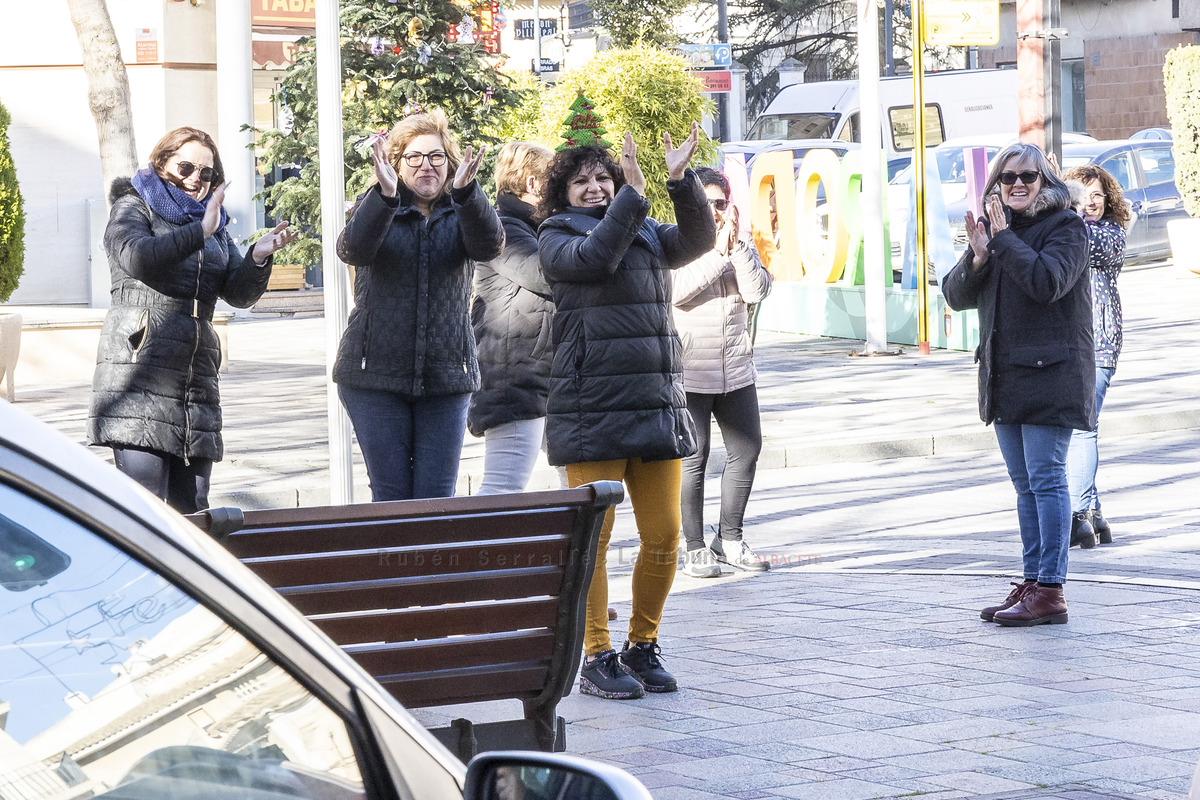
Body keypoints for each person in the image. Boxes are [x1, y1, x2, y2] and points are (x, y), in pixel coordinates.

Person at [538, 125, 715, 699]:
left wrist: (679, 181)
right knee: (595, 538)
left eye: (603, 179)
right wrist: (632, 198)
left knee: (664, 535)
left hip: (654, 405)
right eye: (581, 181)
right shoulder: (556, 237)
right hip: (592, 410)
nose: (594, 188)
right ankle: (595, 653)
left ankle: (643, 644)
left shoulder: (642, 231)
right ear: (562, 193)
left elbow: (698, 241)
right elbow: (595, 257)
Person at [89, 126, 297, 513]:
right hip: (139, 372)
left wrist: (257, 257)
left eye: (206, 173)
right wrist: (199, 231)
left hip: (195, 378)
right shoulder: (133, 205)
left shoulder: (212, 223)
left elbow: (238, 294)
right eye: (185, 167)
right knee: (144, 509)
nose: (195, 180)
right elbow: (137, 257)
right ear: (161, 161)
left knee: (194, 508)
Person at [942, 142, 1093, 627]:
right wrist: (979, 257)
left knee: (1047, 480)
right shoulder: (994, 233)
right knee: (1025, 485)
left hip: (1052, 376)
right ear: (996, 187)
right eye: (1008, 179)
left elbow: (1048, 282)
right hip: (1005, 378)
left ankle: (1051, 588)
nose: (1018, 185)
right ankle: (1032, 580)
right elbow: (955, 295)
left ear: (1045, 181)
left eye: (1028, 177)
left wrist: (1003, 242)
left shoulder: (1067, 227)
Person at [334, 109, 504, 501]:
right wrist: (385, 196)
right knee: (392, 496)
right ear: (396, 163)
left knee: (436, 497)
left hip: (446, 377)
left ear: (449, 162)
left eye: (436, 157)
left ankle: (430, 565)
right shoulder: (378, 204)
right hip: (374, 375)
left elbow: (490, 246)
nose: (426, 166)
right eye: (414, 157)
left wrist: (467, 194)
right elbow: (352, 249)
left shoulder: (463, 208)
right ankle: (390, 563)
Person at [672, 166, 773, 578]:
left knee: (747, 450)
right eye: (707, 203)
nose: (714, 211)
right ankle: (693, 547)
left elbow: (758, 290)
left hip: (735, 368)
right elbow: (676, 291)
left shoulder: (738, 245)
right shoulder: (678, 242)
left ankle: (728, 538)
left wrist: (737, 250)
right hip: (691, 370)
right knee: (693, 460)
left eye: (720, 203)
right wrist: (717, 253)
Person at [468, 141, 555, 495]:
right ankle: (482, 552)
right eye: (555, 179)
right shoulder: (505, 229)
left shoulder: (533, 226)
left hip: (540, 378)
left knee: (575, 486)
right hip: (514, 380)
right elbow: (550, 275)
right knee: (502, 490)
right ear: (533, 184)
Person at [1063, 164, 1129, 549]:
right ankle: (1095, 515)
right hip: (1074, 341)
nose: (1089, 204)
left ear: (1108, 202)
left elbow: (1079, 239)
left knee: (1082, 428)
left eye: (1097, 197)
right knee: (1080, 425)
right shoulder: (1073, 228)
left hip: (1099, 343)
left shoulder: (1110, 235)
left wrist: (1062, 204)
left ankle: (1078, 514)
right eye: (1081, 196)